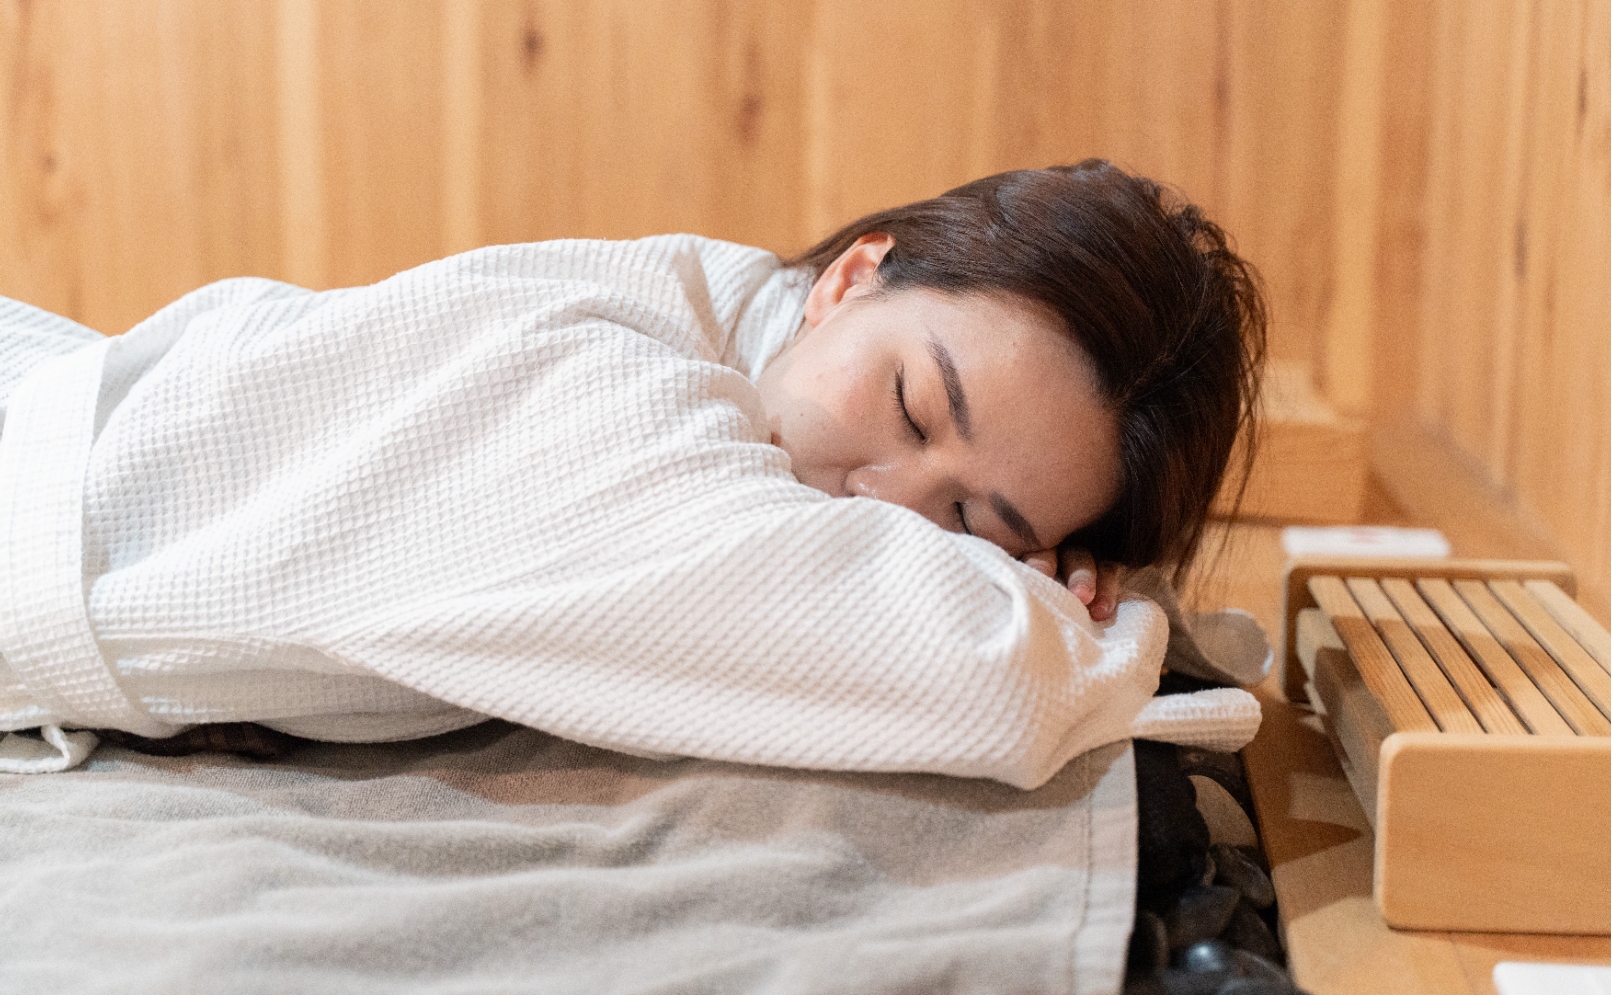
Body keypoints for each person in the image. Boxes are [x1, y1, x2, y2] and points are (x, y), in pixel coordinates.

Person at [0, 160, 1265, 786]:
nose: (883, 501)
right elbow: (996, 689)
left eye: (967, 522)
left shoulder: (727, 323)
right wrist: (1076, 628)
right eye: (909, 404)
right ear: (845, 281)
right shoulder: (600, 398)